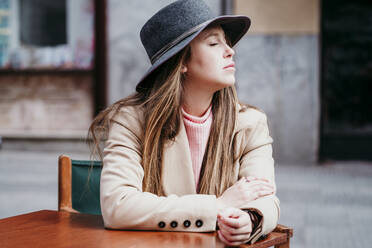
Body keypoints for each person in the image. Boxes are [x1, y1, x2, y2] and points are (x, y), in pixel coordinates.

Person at [88, 0, 280, 246]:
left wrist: (248, 220)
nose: (230, 51)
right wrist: (218, 206)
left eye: (227, 42)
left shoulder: (250, 122)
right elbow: (117, 206)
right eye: (213, 43)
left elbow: (267, 199)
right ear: (182, 63)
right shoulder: (131, 121)